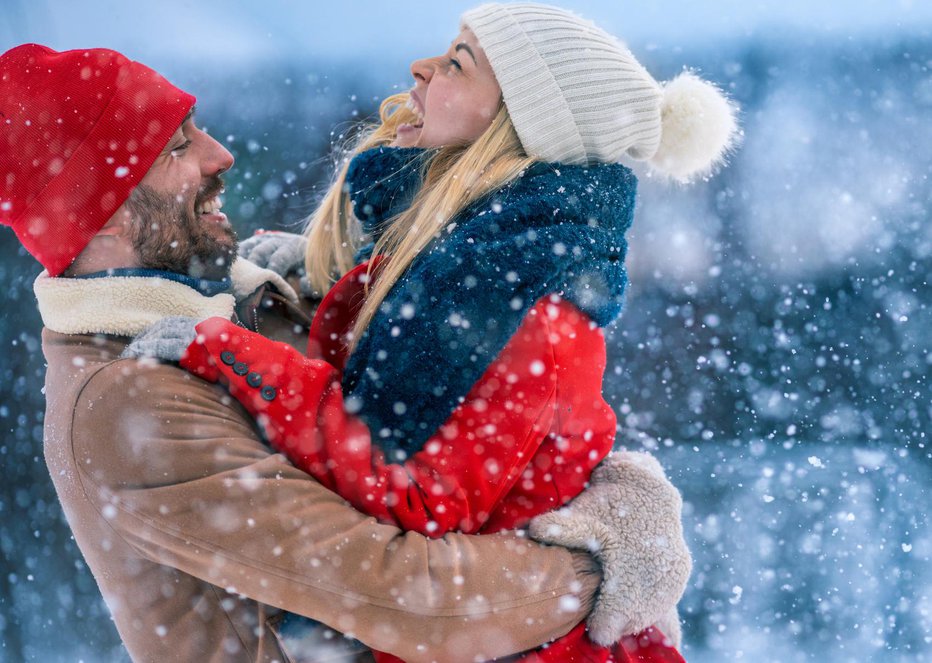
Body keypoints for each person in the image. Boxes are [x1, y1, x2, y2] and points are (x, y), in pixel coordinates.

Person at [0, 42, 693, 662]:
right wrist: (599, 560)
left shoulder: (228, 301)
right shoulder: (127, 397)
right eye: (178, 148)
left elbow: (458, 403)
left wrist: (325, 277)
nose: (221, 155)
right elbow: (416, 598)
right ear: (107, 210)